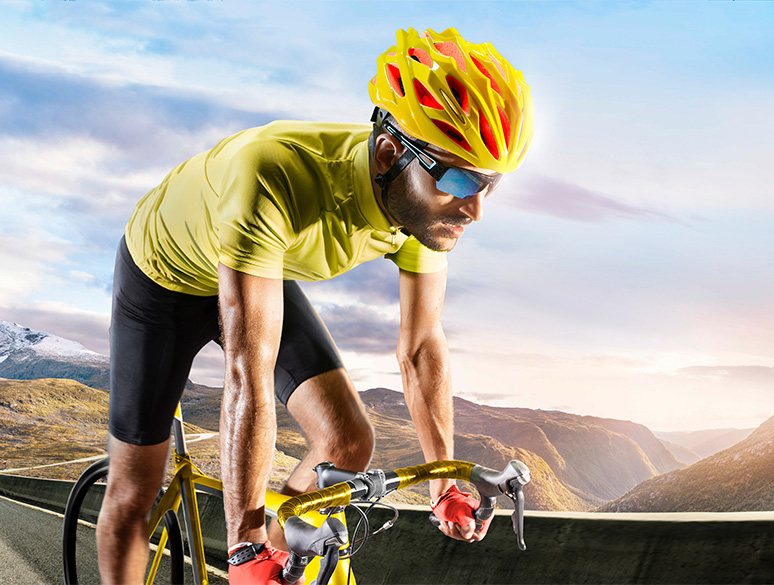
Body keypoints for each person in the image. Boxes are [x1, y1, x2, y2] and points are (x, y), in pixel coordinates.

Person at [95, 27, 533, 585]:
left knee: (349, 440)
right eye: (456, 178)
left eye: (488, 185)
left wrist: (442, 484)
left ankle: (279, 566)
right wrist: (243, 546)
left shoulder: (422, 211)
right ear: (389, 153)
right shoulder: (273, 174)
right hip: (164, 277)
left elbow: (421, 348)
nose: (473, 210)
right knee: (134, 488)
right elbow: (247, 373)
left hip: (255, 267)